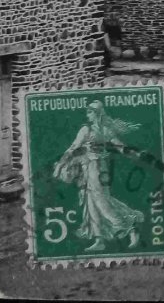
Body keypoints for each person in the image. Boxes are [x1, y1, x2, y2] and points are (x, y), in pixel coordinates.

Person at [52, 101, 145, 252]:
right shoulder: (85, 129)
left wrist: (134, 153)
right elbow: (73, 147)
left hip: (99, 168)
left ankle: (129, 227)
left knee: (101, 200)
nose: (87, 114)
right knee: (91, 202)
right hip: (88, 167)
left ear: (98, 113)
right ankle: (99, 239)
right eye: (87, 112)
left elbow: (119, 146)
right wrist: (62, 164)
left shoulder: (105, 130)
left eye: (90, 112)